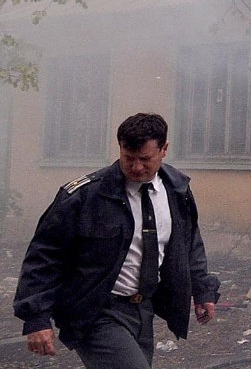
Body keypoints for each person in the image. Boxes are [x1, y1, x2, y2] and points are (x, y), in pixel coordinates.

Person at [14, 113, 220, 368]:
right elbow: (44, 257)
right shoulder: (85, 197)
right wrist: (36, 318)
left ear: (164, 150)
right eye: (128, 158)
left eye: (145, 159)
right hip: (95, 312)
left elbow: (189, 244)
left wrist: (202, 290)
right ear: (120, 147)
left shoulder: (176, 191)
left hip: (143, 310)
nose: (136, 168)